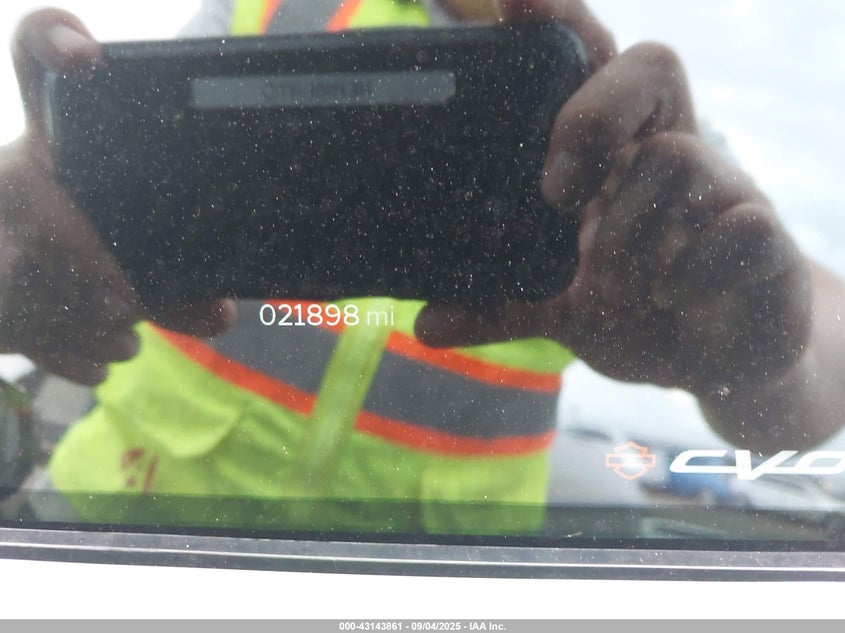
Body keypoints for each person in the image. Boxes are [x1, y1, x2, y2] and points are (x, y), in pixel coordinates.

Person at [2, 0, 844, 533]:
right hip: (113, 541)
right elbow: (67, 191)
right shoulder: (264, 11)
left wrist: (768, 359)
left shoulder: (633, 122)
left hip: (441, 590)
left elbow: (822, 346)